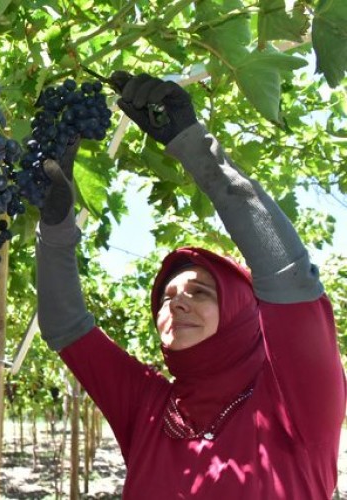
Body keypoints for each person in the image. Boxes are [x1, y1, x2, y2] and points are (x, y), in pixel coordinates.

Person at [35, 72, 346, 498]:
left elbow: (289, 276)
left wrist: (193, 144)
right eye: (166, 297)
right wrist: (55, 227)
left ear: (242, 307)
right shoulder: (150, 408)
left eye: (200, 291)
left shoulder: (296, 405)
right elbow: (66, 326)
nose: (177, 303)